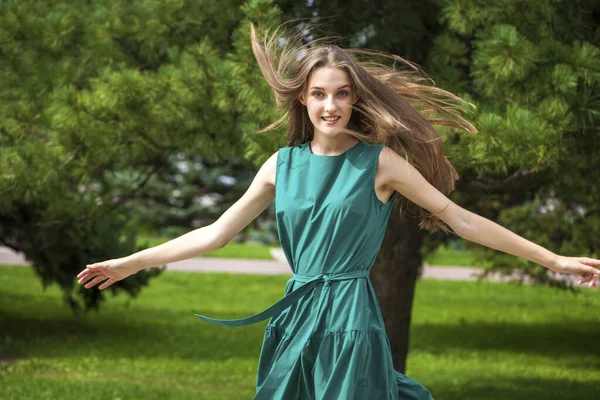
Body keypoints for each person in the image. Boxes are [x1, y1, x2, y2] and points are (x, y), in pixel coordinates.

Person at [77, 23, 600, 399]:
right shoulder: (280, 165)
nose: (331, 105)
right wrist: (131, 262)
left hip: (352, 318)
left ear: (354, 100)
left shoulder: (380, 164)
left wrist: (553, 260)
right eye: (319, 94)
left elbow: (461, 219)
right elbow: (215, 234)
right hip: (294, 317)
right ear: (302, 100)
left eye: (342, 94)